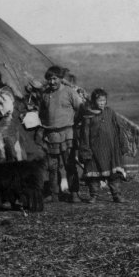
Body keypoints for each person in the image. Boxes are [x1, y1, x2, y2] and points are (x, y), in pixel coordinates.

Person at [38, 65, 85, 202]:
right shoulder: (45, 94)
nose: (52, 82)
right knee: (52, 167)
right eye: (49, 79)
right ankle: (54, 194)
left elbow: (80, 109)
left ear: (60, 79)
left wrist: (73, 122)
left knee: (69, 164)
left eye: (55, 79)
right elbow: (42, 113)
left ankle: (74, 193)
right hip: (51, 135)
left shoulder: (70, 92)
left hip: (67, 133)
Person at [77, 88, 128, 203]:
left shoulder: (110, 112)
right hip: (95, 149)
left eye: (103, 100)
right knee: (93, 174)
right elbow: (85, 133)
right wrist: (85, 149)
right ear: (94, 101)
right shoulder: (88, 115)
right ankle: (94, 195)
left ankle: (117, 195)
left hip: (110, 149)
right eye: (99, 101)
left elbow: (119, 127)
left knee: (114, 174)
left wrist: (122, 143)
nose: (102, 103)